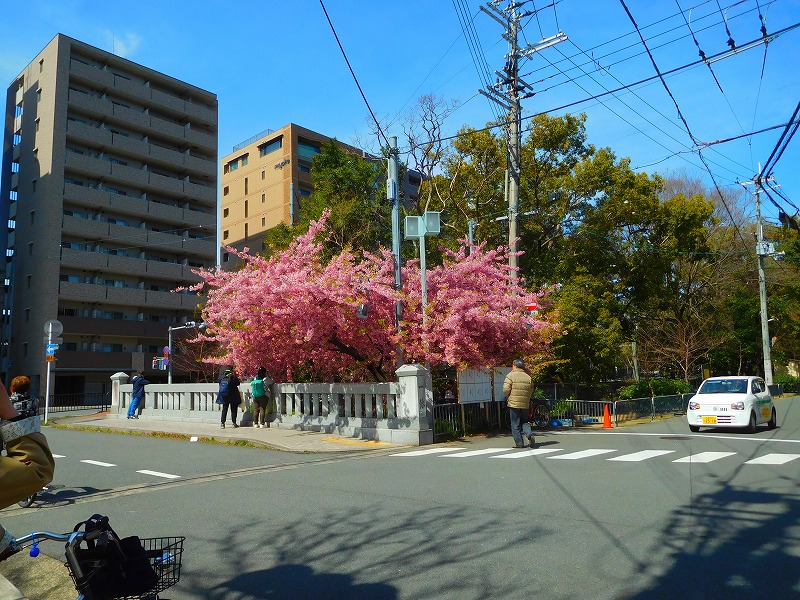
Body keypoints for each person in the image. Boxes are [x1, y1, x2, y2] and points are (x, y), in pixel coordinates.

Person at [0, 378, 55, 561]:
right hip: (23, 436)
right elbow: (38, 470)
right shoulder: (32, 400)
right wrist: (9, 412)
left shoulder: (14, 398)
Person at [504, 358, 535, 448]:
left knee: (515, 423)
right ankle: (529, 434)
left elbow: (506, 389)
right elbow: (531, 389)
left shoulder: (510, 376)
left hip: (514, 403)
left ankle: (519, 443)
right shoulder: (528, 377)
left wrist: (508, 396)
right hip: (525, 403)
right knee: (525, 421)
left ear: (515, 366)